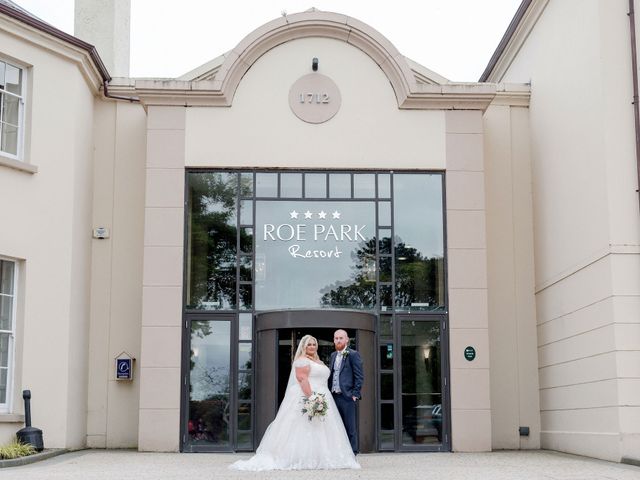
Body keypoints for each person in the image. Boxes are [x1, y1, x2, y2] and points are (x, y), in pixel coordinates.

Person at [229, 334, 360, 471]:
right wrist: (312, 399)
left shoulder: (319, 362)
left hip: (324, 396)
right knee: (303, 427)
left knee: (322, 428)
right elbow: (303, 379)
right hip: (308, 396)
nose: (312, 347)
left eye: (314, 344)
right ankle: (300, 457)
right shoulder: (301, 361)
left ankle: (321, 456)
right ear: (303, 346)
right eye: (309, 344)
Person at [329, 329, 364, 454]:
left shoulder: (353, 354)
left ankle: (353, 453)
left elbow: (359, 376)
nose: (338, 340)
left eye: (341, 338)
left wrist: (355, 394)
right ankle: (340, 453)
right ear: (334, 340)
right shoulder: (333, 355)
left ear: (347, 339)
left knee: (350, 427)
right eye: (336, 338)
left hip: (347, 397)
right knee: (337, 427)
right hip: (334, 396)